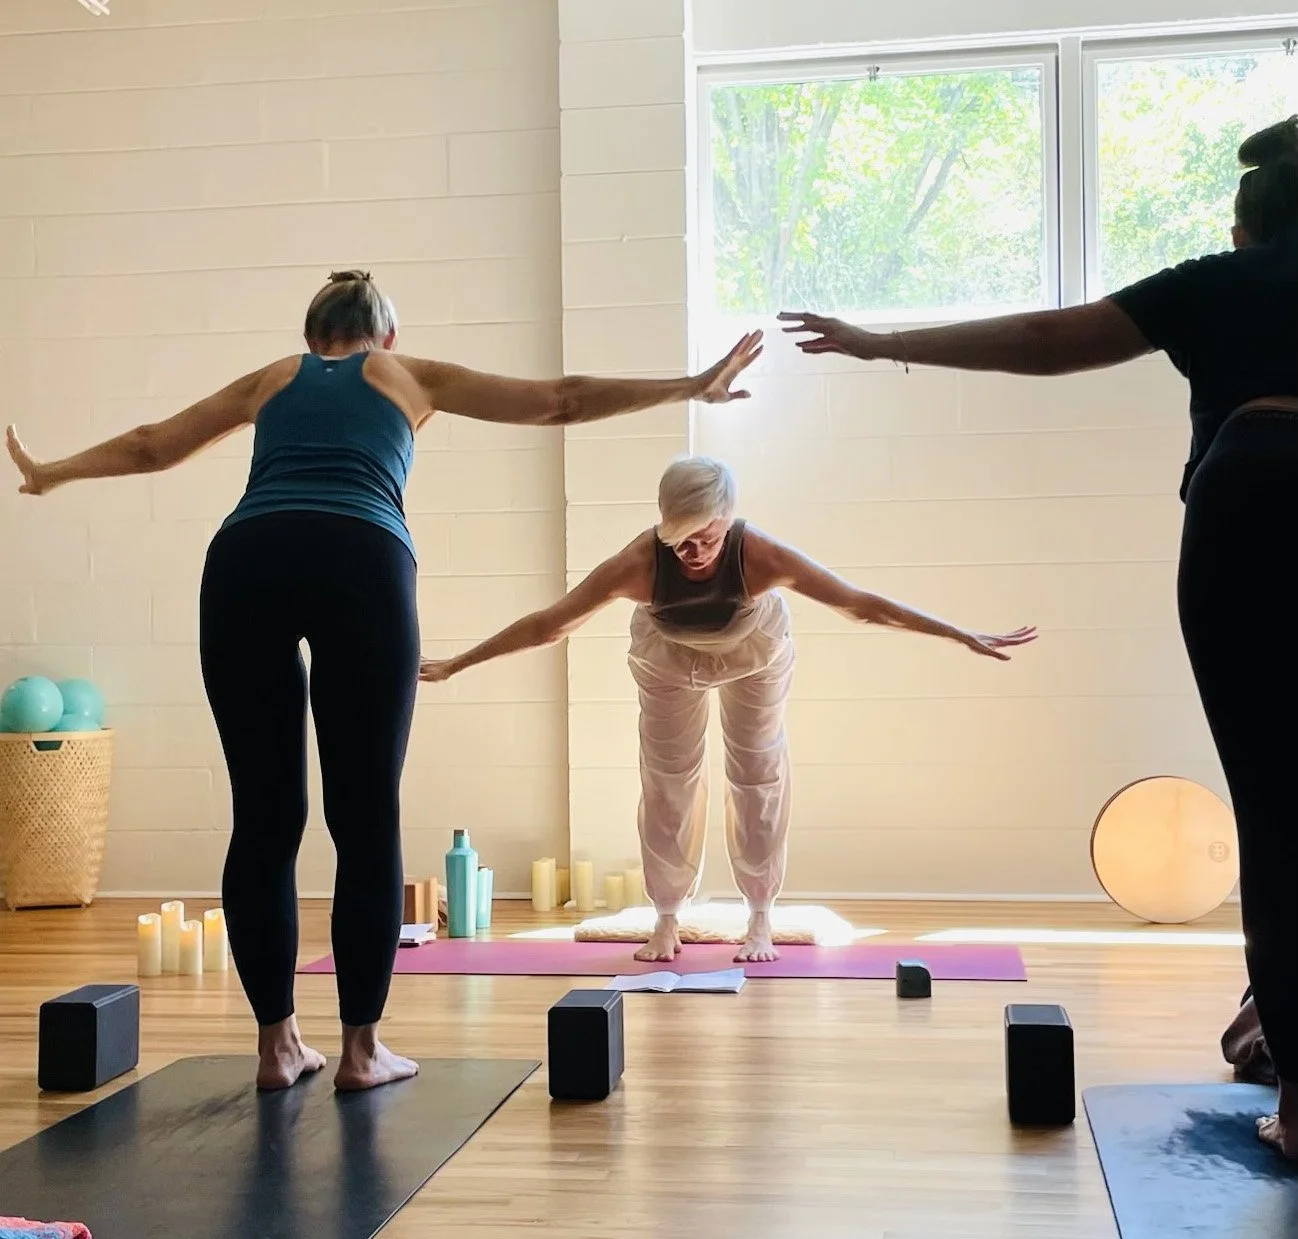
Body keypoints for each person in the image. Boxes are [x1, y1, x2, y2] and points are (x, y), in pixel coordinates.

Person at [5, 271, 764, 1091]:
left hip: (243, 563)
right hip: (360, 558)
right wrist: (692, 385)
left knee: (264, 818)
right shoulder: (409, 376)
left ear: (310, 339)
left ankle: (277, 1047)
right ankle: (362, 1053)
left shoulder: (271, 379)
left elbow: (156, 443)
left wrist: (53, 471)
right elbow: (561, 399)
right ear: (387, 337)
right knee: (364, 817)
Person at [780, 115, 1298, 1155]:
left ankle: (1297, 1103)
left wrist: (881, 341)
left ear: (1242, 233)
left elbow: (1044, 342)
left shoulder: (1214, 281)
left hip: (1249, 500)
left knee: (1273, 802)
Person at [420, 455, 1035, 962]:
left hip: (756, 654)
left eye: (705, 539)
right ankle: (667, 915)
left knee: (757, 772)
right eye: (678, 540)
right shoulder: (638, 564)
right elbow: (550, 625)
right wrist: (457, 663)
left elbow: (859, 604)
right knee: (667, 778)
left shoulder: (758, 555)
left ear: (728, 520)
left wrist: (958, 633)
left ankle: (760, 914)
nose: (691, 552)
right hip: (667, 657)